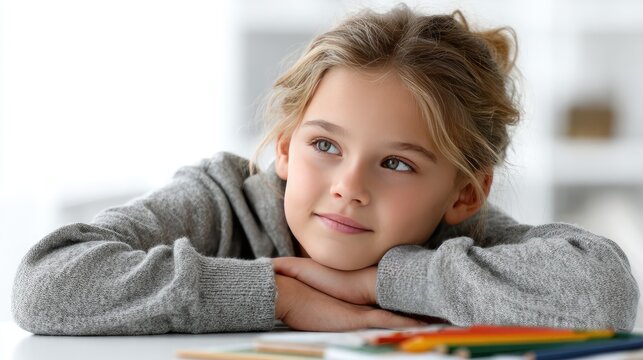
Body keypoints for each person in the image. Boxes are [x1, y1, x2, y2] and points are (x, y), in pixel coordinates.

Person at [12, 4, 638, 335]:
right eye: (325, 146)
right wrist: (280, 295)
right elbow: (44, 283)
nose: (348, 186)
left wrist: (380, 284)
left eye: (395, 163)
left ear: (465, 194)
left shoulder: (456, 242)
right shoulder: (221, 201)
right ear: (284, 146)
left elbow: (602, 293)